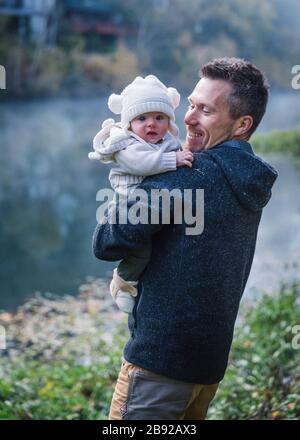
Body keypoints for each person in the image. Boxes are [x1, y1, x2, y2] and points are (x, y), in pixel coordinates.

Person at [92, 57, 278, 420]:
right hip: (206, 368)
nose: (189, 118)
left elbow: (106, 243)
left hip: (158, 368)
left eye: (206, 110)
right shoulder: (248, 177)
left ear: (242, 124)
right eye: (191, 105)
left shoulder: (188, 175)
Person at [89, 75, 193, 314]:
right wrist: (173, 160)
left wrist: (182, 154)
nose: (151, 124)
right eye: (142, 118)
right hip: (129, 200)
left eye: (159, 117)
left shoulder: (167, 142)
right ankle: (123, 282)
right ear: (129, 124)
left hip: (152, 203)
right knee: (141, 250)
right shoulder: (126, 144)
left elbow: (178, 152)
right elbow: (141, 164)